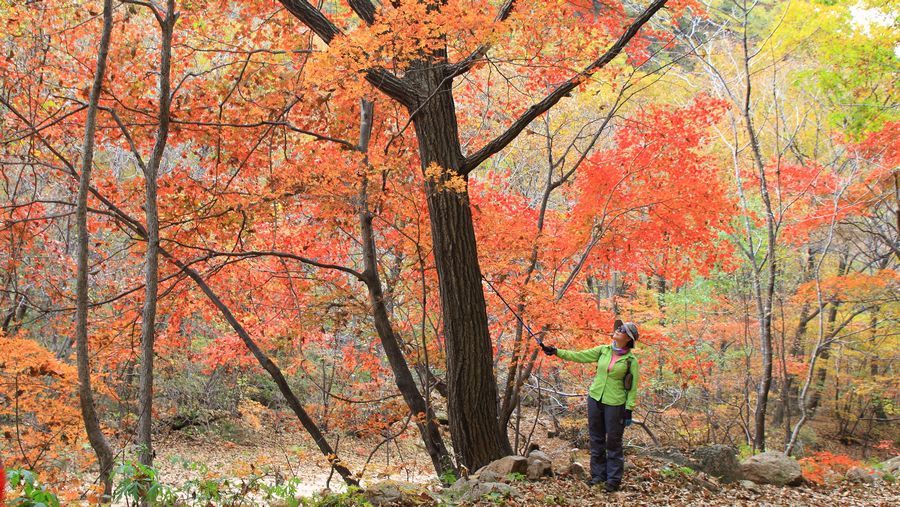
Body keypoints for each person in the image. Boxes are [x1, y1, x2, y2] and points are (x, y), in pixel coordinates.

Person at [541, 321, 640, 492]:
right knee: (596, 440)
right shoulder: (604, 350)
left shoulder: (631, 361)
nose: (617, 330)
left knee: (614, 442)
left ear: (628, 338)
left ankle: (613, 481)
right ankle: (597, 476)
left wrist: (629, 409)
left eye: (622, 330)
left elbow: (633, 387)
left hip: (616, 404)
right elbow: (579, 356)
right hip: (595, 399)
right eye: (618, 327)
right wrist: (556, 352)